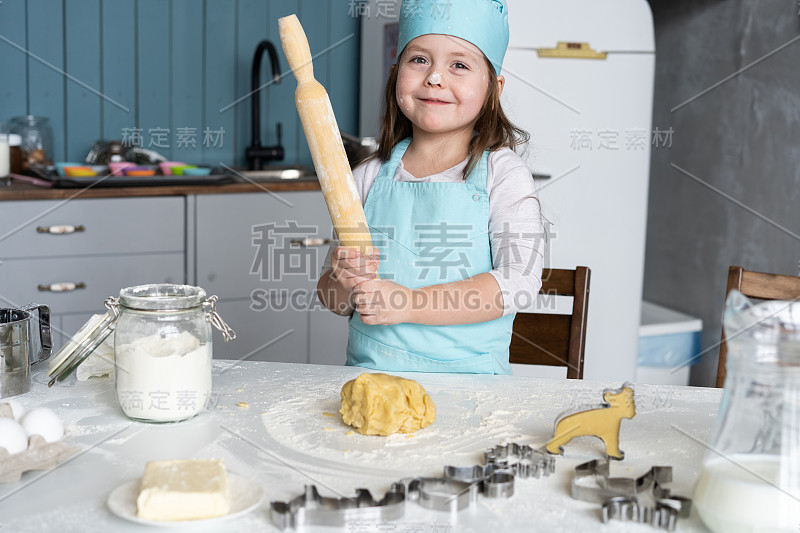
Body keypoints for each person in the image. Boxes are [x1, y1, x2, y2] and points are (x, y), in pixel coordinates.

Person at [317, 0, 544, 374]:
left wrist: (409, 304)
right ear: (396, 74)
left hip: (471, 393)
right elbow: (333, 299)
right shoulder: (366, 177)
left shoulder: (503, 175)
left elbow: (519, 282)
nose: (435, 77)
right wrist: (343, 281)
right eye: (419, 60)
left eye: (459, 65)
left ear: (494, 88)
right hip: (370, 382)